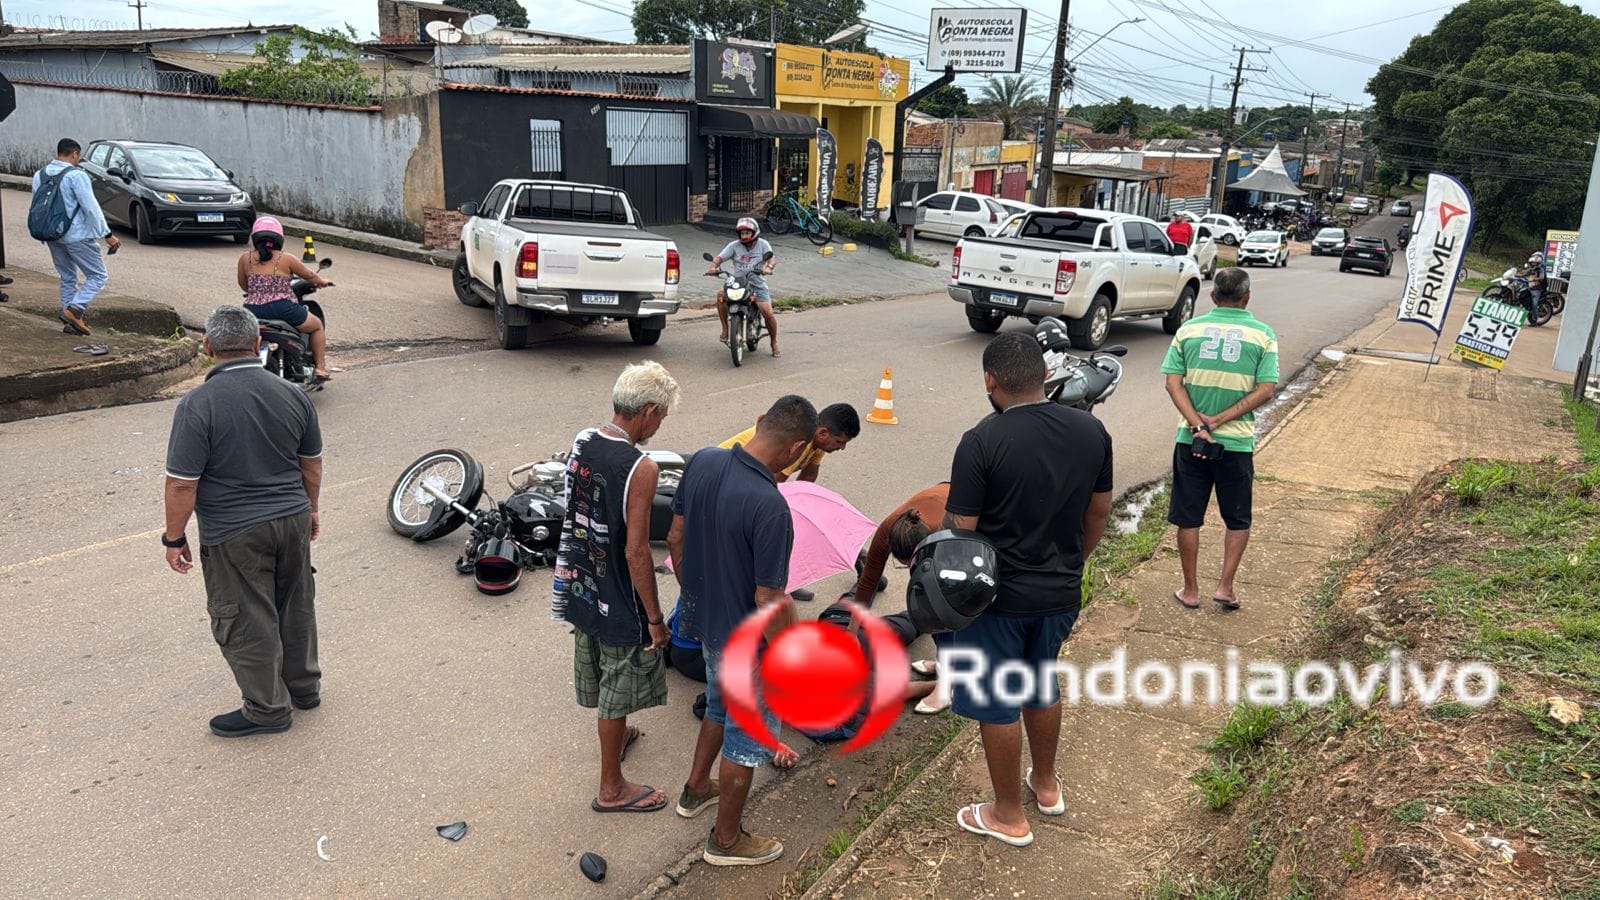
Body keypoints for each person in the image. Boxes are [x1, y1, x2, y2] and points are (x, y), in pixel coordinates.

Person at [943, 332, 1114, 848]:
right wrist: (1072, 563)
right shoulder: (1091, 430)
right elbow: (1099, 512)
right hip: (1059, 593)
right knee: (1041, 685)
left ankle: (1008, 816)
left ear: (989, 381)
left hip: (998, 600)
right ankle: (1045, 783)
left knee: (997, 701)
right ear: (1044, 374)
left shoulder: (981, 440)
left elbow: (962, 530)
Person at [668, 395, 818, 867]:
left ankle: (696, 789)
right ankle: (726, 840)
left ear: (758, 422)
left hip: (706, 626)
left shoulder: (703, 459)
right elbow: (769, 599)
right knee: (746, 737)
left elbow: (675, 538)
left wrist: (697, 594)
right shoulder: (771, 507)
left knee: (718, 704)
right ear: (796, 449)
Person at [161, 305, 323, 738]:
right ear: (257, 343)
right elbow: (311, 462)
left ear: (207, 346)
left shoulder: (198, 404)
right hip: (291, 516)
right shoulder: (293, 394)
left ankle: (268, 709)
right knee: (295, 604)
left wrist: (173, 538)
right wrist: (311, 509)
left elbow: (182, 484)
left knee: (247, 617)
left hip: (234, 530)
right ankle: (304, 689)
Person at [554, 360, 680, 814]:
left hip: (581, 580)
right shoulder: (641, 468)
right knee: (617, 682)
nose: (659, 426)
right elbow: (637, 552)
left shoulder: (584, 440)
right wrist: (655, 619)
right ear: (647, 411)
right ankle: (612, 789)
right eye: (661, 417)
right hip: (618, 593)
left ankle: (619, 735)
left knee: (598, 664)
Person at [1161, 267, 1278, 611]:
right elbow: (1266, 389)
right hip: (1236, 443)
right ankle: (1225, 588)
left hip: (1191, 441)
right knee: (1237, 518)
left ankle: (1190, 590)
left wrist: (1198, 424)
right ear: (1247, 297)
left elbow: (1172, 383)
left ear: (1212, 297)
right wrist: (1220, 420)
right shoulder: (1263, 335)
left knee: (1188, 516)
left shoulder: (1188, 330)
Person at [719, 402, 860, 602]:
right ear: (823, 433)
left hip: (751, 478)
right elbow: (772, 483)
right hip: (728, 476)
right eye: (839, 441)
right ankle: (765, 585)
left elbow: (808, 478)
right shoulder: (799, 444)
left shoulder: (817, 444)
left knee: (789, 529)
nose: (842, 448)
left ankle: (785, 580)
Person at [33, 138, 119, 335]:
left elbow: (37, 207)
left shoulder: (40, 174)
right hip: (77, 235)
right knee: (98, 276)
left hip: (53, 235)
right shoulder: (76, 176)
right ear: (74, 154)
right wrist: (107, 234)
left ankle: (69, 322)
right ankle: (75, 310)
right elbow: (91, 207)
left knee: (67, 276)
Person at [238, 216, 333, 379]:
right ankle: (320, 368)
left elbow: (243, 284)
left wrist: (258, 291)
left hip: (252, 310)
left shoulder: (245, 258)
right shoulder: (286, 258)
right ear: (279, 239)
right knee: (317, 326)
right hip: (281, 308)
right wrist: (321, 282)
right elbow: (310, 275)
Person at [708, 217, 779, 357]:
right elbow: (719, 258)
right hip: (738, 283)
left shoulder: (763, 244)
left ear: (754, 233)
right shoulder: (734, 246)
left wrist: (768, 267)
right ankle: (725, 329)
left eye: (747, 233)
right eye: (742, 233)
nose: (744, 236)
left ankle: (774, 342)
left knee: (768, 313)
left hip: (757, 284)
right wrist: (713, 267)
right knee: (720, 295)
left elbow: (772, 259)